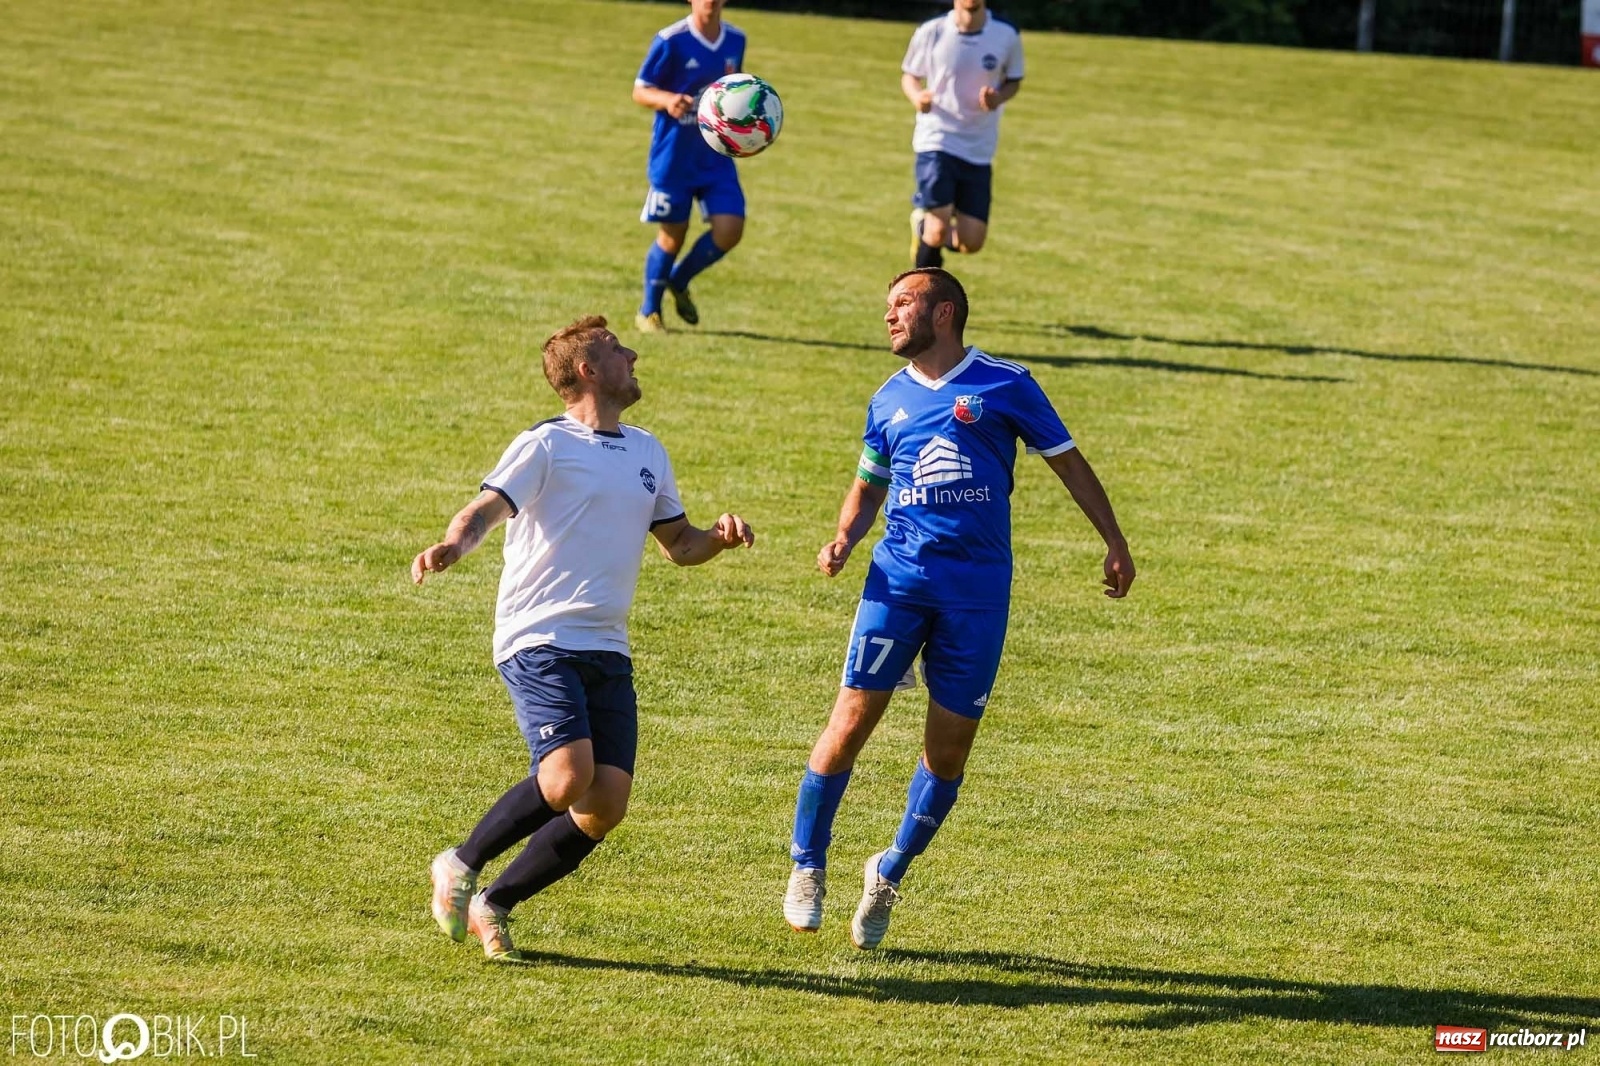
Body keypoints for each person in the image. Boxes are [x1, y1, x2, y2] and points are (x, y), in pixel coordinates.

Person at [782, 268, 1134, 950]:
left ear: (944, 313)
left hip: (976, 595)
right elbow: (868, 484)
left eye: (902, 304)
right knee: (850, 722)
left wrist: (1114, 541)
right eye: (887, 305)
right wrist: (844, 539)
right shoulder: (887, 401)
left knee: (947, 753)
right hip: (899, 583)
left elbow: (1068, 462)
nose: (888, 316)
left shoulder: (1006, 384)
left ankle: (887, 871)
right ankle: (806, 865)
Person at [416, 316, 754, 960]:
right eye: (616, 350)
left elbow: (678, 545)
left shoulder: (648, 451)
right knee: (567, 775)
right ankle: (459, 865)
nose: (632, 354)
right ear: (587, 372)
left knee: (604, 806)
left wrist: (718, 537)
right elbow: (484, 508)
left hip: (607, 645)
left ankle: (496, 903)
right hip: (539, 634)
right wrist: (453, 546)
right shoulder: (545, 444)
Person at [632, 0, 748, 333]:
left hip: (716, 156)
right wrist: (667, 100)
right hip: (674, 158)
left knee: (731, 230)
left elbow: (733, 92)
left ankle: (679, 280)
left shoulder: (736, 40)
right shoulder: (671, 40)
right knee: (672, 235)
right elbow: (640, 91)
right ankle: (649, 311)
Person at [901, 0, 1024, 268]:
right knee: (938, 229)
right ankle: (923, 298)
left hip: (979, 148)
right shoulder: (932, 31)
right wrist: (917, 97)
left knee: (972, 241)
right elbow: (909, 75)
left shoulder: (1006, 34)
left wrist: (999, 97)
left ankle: (920, 226)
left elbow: (1014, 79)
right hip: (937, 138)